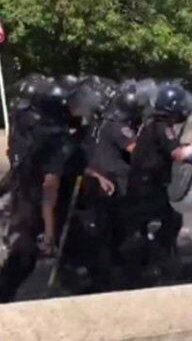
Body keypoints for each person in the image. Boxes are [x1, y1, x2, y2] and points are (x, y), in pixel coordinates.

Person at [0, 78, 75, 302]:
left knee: (20, 251)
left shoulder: (25, 126)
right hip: (31, 204)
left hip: (20, 194)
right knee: (24, 255)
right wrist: (50, 234)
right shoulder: (55, 142)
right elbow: (49, 190)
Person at [122, 85, 192, 285]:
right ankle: (158, 265)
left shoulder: (150, 125)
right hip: (148, 187)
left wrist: (190, 155)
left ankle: (147, 264)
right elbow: (177, 153)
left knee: (147, 225)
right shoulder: (162, 127)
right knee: (169, 221)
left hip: (142, 184)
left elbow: (167, 152)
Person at [74, 85, 146, 291]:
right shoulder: (117, 127)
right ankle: (116, 278)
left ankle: (103, 274)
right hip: (114, 184)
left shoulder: (99, 124)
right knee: (122, 232)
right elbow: (138, 151)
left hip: (97, 181)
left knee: (104, 231)